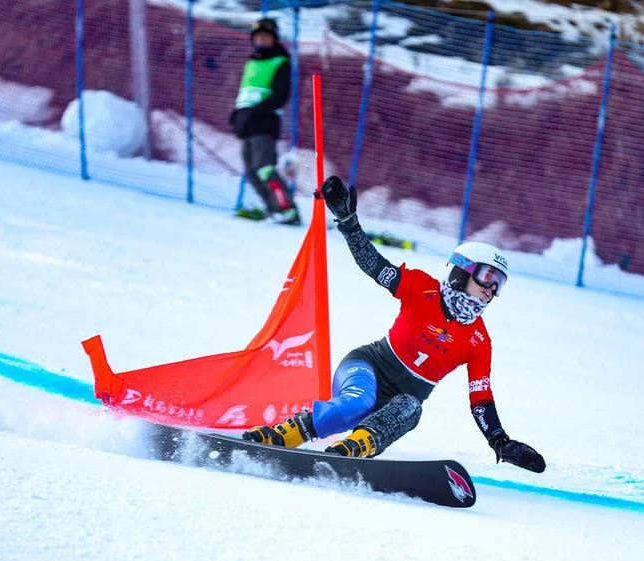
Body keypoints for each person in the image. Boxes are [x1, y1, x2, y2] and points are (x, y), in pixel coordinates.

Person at [243, 176, 545, 473]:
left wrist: (499, 441)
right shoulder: (421, 288)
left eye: (499, 283)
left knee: (411, 409)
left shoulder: (479, 341)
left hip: (401, 400)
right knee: (357, 402)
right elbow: (373, 265)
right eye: (487, 276)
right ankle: (283, 435)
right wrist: (348, 222)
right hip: (367, 366)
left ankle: (352, 450)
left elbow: (481, 398)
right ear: (462, 271)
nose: (491, 289)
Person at [229, 18, 300, 226]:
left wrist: (254, 112)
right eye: (258, 37)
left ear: (274, 39)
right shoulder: (251, 62)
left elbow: (280, 95)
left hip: (264, 122)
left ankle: (287, 209)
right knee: (252, 173)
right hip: (247, 123)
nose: (261, 40)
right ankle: (272, 209)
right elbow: (246, 92)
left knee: (264, 168)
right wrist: (238, 114)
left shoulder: (280, 62)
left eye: (266, 37)